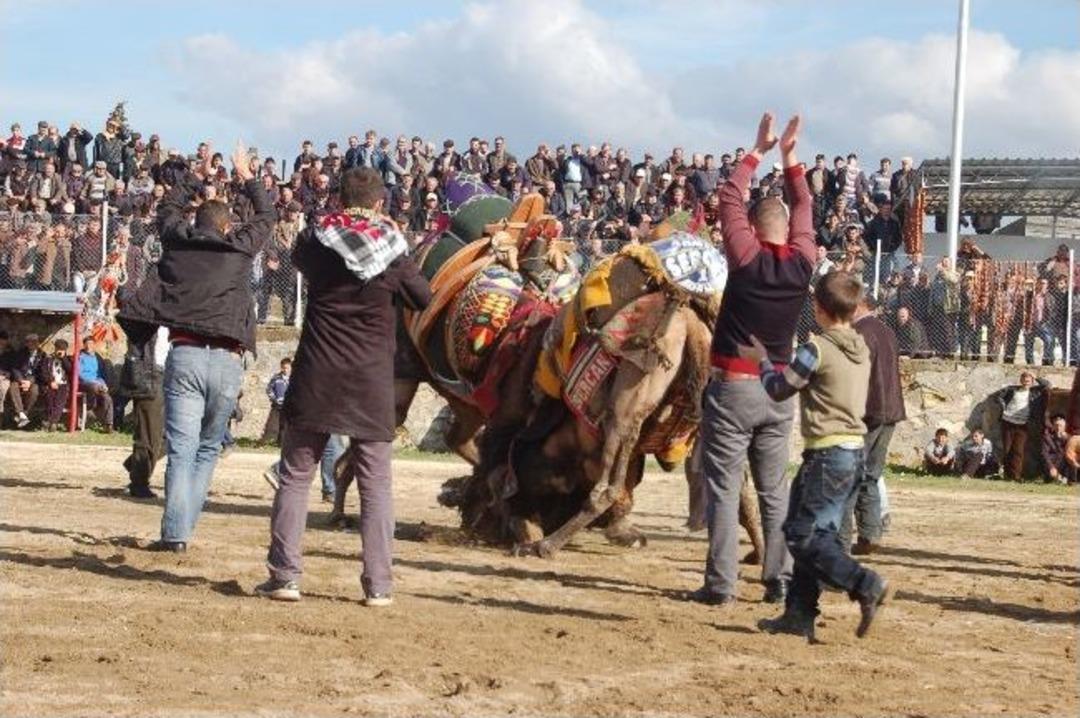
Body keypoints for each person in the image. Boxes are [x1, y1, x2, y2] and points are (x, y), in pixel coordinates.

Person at [256, 167, 431, 605]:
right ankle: (379, 586)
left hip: (317, 372)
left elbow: (297, 250)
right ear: (379, 204)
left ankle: (285, 578)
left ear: (339, 200)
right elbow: (423, 299)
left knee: (296, 476)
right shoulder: (393, 252)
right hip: (371, 379)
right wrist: (397, 239)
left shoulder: (318, 243)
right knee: (376, 484)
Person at [129, 141, 273, 553]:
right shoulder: (239, 248)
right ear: (228, 227)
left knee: (182, 449)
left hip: (186, 355)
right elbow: (267, 215)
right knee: (208, 447)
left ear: (197, 221)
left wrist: (198, 174)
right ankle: (181, 528)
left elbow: (167, 209)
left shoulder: (180, 243)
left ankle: (176, 535)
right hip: (228, 362)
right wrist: (245, 176)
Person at [695, 113, 814, 608]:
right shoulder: (803, 260)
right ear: (785, 229)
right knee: (774, 491)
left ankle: (721, 586)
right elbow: (805, 202)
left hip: (733, 388)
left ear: (755, 228)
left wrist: (756, 151)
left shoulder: (743, 257)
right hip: (779, 391)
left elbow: (727, 197)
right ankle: (779, 580)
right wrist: (788, 156)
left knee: (723, 489)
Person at [742, 271, 890, 641]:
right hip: (852, 453)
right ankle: (799, 613)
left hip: (826, 454)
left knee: (802, 535)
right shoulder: (860, 345)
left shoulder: (817, 349)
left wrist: (761, 360)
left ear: (818, 309)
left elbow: (778, 389)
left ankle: (865, 583)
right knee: (812, 531)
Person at [842, 295, 905, 555]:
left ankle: (841, 543)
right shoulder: (886, 331)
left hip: (867, 413)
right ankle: (870, 534)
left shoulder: (858, 333)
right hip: (890, 410)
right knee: (870, 475)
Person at [995, 371, 1050, 481]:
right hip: (1008, 422)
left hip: (1023, 425)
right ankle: (1007, 475)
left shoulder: (1035, 391)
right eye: (1024, 380)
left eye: (1028, 381)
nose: (1026, 382)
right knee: (1007, 449)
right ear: (1021, 380)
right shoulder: (1012, 389)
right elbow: (998, 396)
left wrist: (1036, 376)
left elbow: (1047, 385)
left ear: (1032, 382)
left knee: (1018, 451)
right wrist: (1003, 406)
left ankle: (1016, 476)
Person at [77, 337, 114, 432]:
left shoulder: (97, 358)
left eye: (91, 343)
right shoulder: (80, 356)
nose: (89, 345)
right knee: (93, 386)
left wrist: (103, 384)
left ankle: (108, 425)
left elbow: (100, 375)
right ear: (84, 345)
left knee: (107, 397)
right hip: (84, 382)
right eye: (87, 343)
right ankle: (92, 406)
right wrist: (94, 382)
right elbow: (79, 374)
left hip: (97, 383)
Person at [38, 338, 72, 431]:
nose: (59, 350)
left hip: (63, 384)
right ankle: (51, 422)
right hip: (50, 383)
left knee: (59, 402)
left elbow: (70, 370)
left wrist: (63, 358)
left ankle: (52, 422)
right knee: (50, 399)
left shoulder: (68, 359)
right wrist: (50, 382)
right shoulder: (48, 358)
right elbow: (43, 372)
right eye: (58, 348)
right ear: (55, 348)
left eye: (62, 349)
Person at [261, 358, 292, 445]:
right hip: (277, 405)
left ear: (290, 367)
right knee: (272, 424)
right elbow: (269, 389)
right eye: (283, 368)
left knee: (285, 425)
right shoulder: (276, 378)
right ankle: (266, 441)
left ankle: (282, 442)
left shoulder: (294, 379)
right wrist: (274, 399)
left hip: (289, 406)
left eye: (286, 368)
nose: (285, 370)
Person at [1041, 414, 1075, 485]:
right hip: (1052, 463)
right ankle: (1058, 478)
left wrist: (1065, 439)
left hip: (1064, 465)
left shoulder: (1069, 438)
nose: (1058, 428)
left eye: (1061, 426)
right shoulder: (1047, 437)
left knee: (1070, 457)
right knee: (1048, 462)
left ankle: (1068, 479)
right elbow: (1045, 453)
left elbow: (1068, 452)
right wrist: (1051, 467)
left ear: (1064, 426)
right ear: (1053, 426)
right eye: (1056, 425)